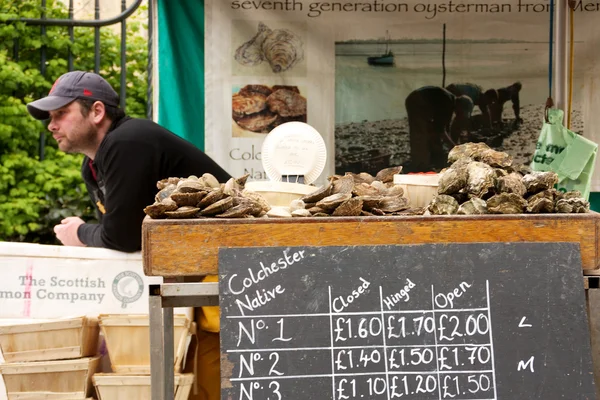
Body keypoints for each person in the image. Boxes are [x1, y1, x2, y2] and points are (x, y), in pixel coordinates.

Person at [27, 70, 231, 252]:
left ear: (97, 112)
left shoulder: (127, 142)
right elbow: (116, 234)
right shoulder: (92, 165)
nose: (51, 126)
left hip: (239, 252)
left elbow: (122, 238)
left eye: (61, 113)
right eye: (51, 117)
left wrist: (79, 232)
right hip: (207, 253)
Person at [405, 86, 472, 172]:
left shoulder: (450, 101)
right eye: (461, 112)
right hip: (418, 101)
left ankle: (423, 161)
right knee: (420, 133)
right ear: (459, 105)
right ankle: (420, 165)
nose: (458, 114)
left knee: (426, 132)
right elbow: (441, 130)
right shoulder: (447, 103)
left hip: (420, 102)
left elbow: (442, 128)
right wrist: (455, 147)